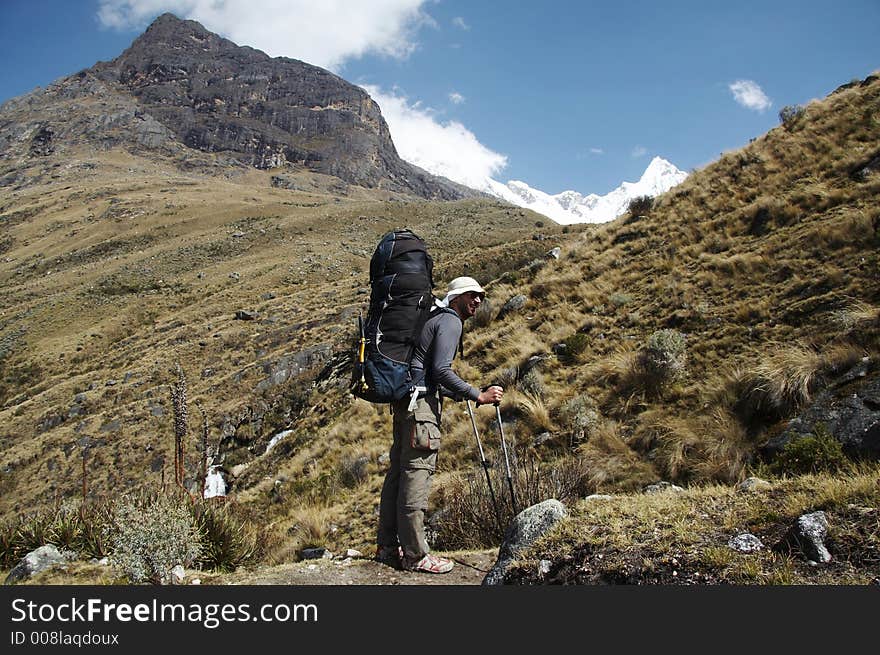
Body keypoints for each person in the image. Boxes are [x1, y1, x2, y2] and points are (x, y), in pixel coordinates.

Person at [375, 276, 504, 573]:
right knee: (416, 475)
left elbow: (427, 372)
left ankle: (386, 547)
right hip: (421, 411)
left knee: (397, 473)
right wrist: (478, 395)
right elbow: (442, 370)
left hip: (406, 403)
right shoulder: (450, 321)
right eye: (471, 295)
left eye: (481, 297)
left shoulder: (432, 318)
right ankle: (415, 554)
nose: (477, 301)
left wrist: (458, 395)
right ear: (456, 297)